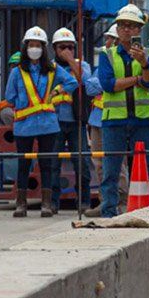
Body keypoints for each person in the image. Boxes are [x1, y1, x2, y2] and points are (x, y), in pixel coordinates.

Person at [0, 26, 78, 218]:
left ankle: (46, 204)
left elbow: (72, 83)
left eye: (38, 45)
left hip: (48, 124)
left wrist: (56, 91)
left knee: (46, 164)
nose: (34, 48)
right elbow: (10, 97)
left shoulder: (52, 69)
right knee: (24, 164)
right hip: (24, 125)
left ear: (44, 47)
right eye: (31, 45)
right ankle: (21, 204)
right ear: (26, 47)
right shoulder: (17, 72)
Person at [95, 3, 149, 218]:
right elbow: (108, 84)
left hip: (143, 121)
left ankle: (146, 211)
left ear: (139, 30)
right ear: (117, 28)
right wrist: (137, 79)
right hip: (115, 121)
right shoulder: (107, 54)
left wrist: (144, 65)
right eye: (123, 26)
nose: (127, 30)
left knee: (144, 169)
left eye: (132, 26)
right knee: (111, 170)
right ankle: (109, 212)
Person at [49, 27, 101, 214]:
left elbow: (87, 83)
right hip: (53, 121)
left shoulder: (82, 66)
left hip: (76, 121)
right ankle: (52, 202)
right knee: (52, 163)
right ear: (55, 49)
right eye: (63, 47)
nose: (67, 51)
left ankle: (84, 201)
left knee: (82, 163)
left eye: (71, 47)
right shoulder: (49, 67)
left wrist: (72, 62)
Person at [85, 24, 128, 216]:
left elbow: (112, 84)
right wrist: (108, 84)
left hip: (116, 119)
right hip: (97, 120)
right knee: (100, 164)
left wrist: (109, 83)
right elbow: (90, 87)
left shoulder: (124, 62)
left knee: (118, 164)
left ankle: (121, 201)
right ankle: (105, 202)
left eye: (111, 39)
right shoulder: (104, 62)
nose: (107, 42)